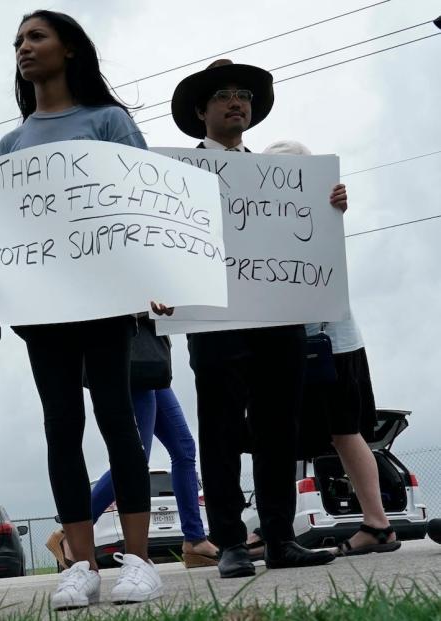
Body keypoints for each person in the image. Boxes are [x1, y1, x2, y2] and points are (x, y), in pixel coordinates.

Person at [0, 11, 160, 610]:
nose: (24, 48)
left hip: (104, 300)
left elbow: (144, 204)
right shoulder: (12, 142)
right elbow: (6, 228)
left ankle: (139, 560)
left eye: (36, 37)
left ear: (71, 50)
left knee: (115, 416)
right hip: (40, 308)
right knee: (61, 427)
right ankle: (81, 566)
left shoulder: (109, 121)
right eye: (18, 40)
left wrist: (156, 278)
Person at [163, 60, 337, 578]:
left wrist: (329, 205)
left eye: (243, 95)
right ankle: (231, 542)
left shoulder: (281, 180)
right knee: (219, 428)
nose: (236, 102)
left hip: (278, 316)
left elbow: (308, 236)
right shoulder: (177, 174)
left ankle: (280, 536)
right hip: (214, 317)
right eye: (223, 96)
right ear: (202, 111)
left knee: (279, 425)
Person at [265, 140, 398, 557]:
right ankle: (277, 528)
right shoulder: (263, 218)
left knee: (342, 432)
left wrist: (334, 206)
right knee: (294, 434)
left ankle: (376, 523)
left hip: (329, 343)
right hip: (303, 340)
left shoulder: (321, 209)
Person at [47, 316, 220, 570]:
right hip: (130, 353)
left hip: (151, 355)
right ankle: (67, 534)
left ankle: (194, 539)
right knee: (135, 458)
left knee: (184, 449)